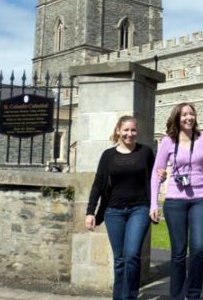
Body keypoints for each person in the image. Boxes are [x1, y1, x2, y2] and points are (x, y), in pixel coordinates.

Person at [150, 103, 203, 300]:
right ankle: (177, 296)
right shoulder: (168, 142)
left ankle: (194, 294)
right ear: (177, 118)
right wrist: (153, 202)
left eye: (191, 114)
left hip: (200, 199)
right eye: (184, 114)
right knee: (178, 252)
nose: (189, 117)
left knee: (198, 248)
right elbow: (156, 172)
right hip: (174, 202)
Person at [85, 115, 160, 300]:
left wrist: (155, 202)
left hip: (139, 209)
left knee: (132, 255)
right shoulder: (108, 155)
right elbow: (98, 183)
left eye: (133, 130)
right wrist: (90, 211)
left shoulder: (145, 152)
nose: (129, 134)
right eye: (125, 130)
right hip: (113, 211)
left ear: (137, 132)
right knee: (119, 260)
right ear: (118, 130)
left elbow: (154, 180)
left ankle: (129, 297)